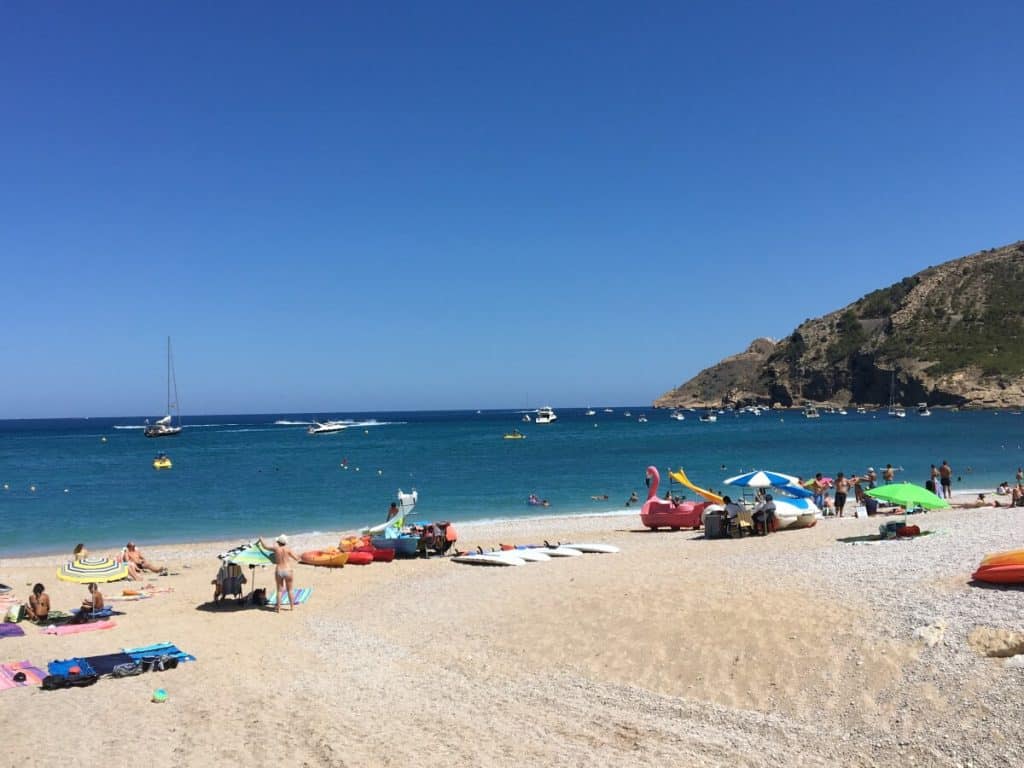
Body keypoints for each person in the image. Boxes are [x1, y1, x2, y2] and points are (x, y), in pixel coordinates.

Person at [261, 535, 299, 613]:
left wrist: (261, 539)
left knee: (279, 591)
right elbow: (297, 558)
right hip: (288, 570)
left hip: (279, 570)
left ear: (278, 542)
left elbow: (265, 547)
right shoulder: (288, 549)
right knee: (290, 590)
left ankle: (278, 609)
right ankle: (292, 607)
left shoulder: (275, 548)